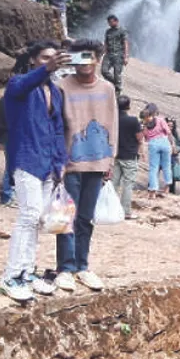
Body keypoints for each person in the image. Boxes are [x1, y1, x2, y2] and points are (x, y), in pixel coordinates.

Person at [0, 41, 68, 301]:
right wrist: (46, 69)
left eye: (53, 58)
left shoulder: (55, 92)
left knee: (38, 219)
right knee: (28, 215)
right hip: (26, 158)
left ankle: (27, 272)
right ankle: (10, 275)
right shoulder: (19, 85)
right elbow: (21, 85)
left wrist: (61, 161)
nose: (50, 62)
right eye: (44, 58)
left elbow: (58, 128)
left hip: (49, 163)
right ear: (33, 61)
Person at [51, 38, 118, 292]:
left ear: (98, 59)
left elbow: (113, 123)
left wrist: (111, 158)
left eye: (89, 56)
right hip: (69, 164)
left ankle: (82, 266)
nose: (84, 62)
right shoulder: (61, 87)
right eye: (79, 56)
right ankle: (65, 268)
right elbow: (56, 126)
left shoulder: (108, 89)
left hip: (97, 162)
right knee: (66, 217)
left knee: (86, 219)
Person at [111, 96, 144, 219]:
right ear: (128, 106)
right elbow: (139, 138)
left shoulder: (112, 119)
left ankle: (111, 210)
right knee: (128, 184)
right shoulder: (133, 121)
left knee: (113, 183)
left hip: (115, 155)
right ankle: (125, 212)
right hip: (129, 156)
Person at [140, 104, 178, 199]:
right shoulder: (160, 120)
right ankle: (167, 188)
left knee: (153, 168)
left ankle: (153, 191)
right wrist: (172, 145)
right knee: (167, 166)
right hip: (164, 142)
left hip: (153, 144)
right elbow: (169, 133)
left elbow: (145, 138)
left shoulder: (144, 124)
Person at [101, 15, 129, 97]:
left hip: (118, 55)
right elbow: (105, 43)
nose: (109, 24)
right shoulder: (108, 31)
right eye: (108, 22)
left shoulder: (122, 31)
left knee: (117, 73)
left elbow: (126, 43)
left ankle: (117, 92)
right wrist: (101, 54)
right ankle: (116, 83)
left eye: (111, 22)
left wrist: (126, 56)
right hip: (109, 54)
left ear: (116, 21)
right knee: (104, 71)